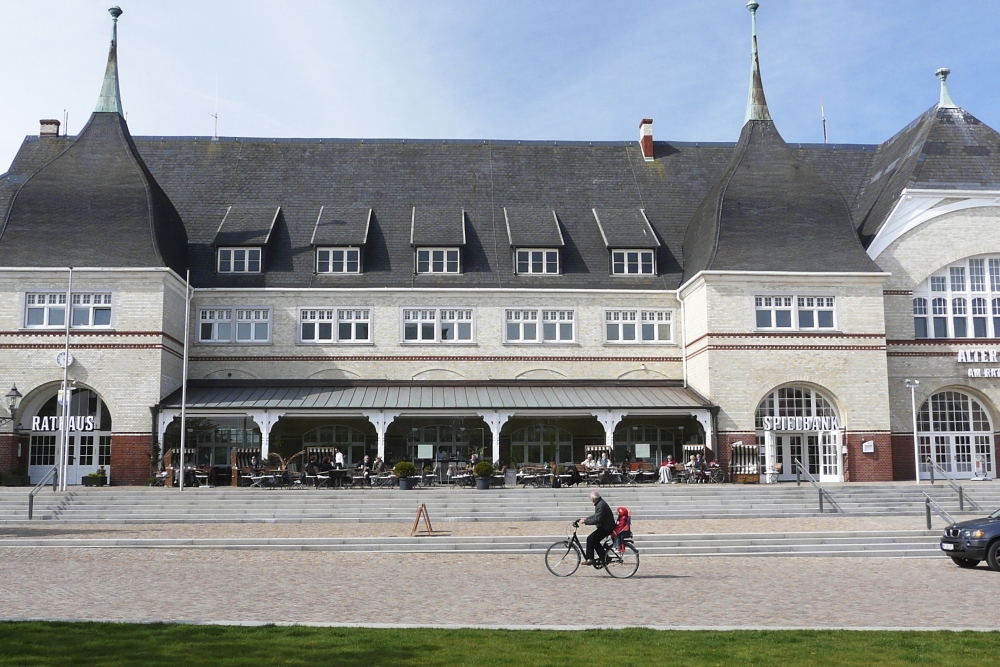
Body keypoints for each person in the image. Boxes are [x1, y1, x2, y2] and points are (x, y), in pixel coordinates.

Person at [579, 490, 615, 566]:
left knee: (590, 538)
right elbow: (596, 516)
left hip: (606, 528)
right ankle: (604, 557)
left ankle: (590, 559)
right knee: (594, 540)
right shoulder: (600, 503)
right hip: (606, 526)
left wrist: (585, 522)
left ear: (593, 499)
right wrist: (586, 519)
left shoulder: (601, 505)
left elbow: (597, 519)